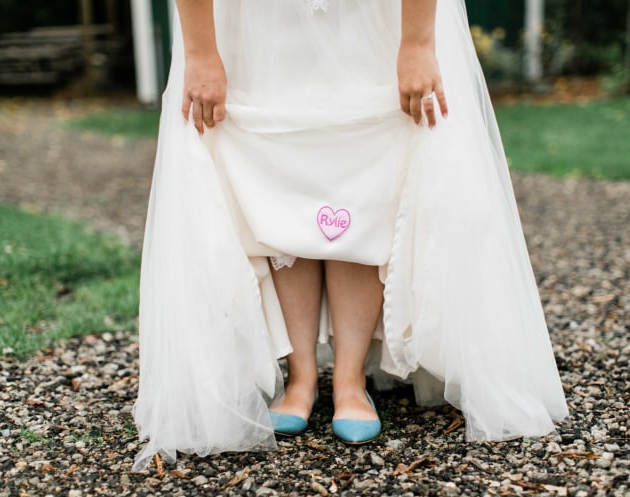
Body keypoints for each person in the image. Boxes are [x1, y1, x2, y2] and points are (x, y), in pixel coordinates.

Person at [132, 0, 569, 472]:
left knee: (363, 158)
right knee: (275, 165)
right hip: (261, 20)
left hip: (367, 15)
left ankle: (349, 378)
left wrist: (418, 42)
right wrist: (200, 49)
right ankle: (301, 376)